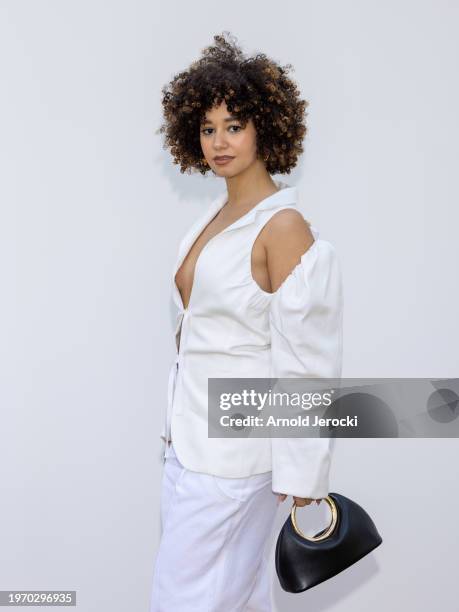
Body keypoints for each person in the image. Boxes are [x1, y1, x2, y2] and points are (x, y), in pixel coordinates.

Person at [149, 32, 343, 612]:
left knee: (185, 600)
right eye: (208, 129)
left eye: (234, 125)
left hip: (234, 455)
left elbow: (308, 360)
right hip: (188, 444)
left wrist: (303, 473)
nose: (219, 141)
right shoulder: (216, 216)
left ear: (266, 127)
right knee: (232, 598)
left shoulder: (283, 227)